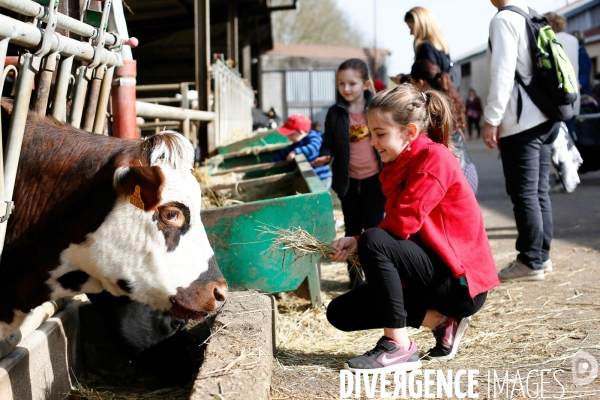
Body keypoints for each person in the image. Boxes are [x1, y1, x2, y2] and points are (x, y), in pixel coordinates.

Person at [326, 84, 499, 372]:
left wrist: (362, 241)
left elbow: (403, 223)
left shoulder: (434, 158)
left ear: (410, 132)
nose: (372, 141)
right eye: (371, 133)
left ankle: (398, 347)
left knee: (374, 239)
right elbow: (396, 232)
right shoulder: (399, 163)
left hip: (460, 286)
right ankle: (442, 322)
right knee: (341, 312)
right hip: (432, 277)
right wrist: (358, 241)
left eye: (380, 134)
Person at [483, 0, 560, 281]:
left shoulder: (504, 19)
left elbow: (501, 73)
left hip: (521, 121)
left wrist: (491, 119)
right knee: (539, 192)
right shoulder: (531, 14)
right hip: (545, 116)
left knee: (525, 194)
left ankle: (530, 262)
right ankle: (542, 256)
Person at [312, 58, 386, 288]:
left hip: (376, 179)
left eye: (352, 83)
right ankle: (355, 279)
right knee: (352, 230)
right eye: (341, 83)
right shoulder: (335, 113)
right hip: (348, 182)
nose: (346, 88)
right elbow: (329, 142)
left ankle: (377, 277)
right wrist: (326, 154)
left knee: (373, 231)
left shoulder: (377, 107)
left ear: (365, 84)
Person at [410, 60, 479, 194]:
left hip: (455, 176)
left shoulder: (431, 107)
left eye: (413, 84)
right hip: (468, 169)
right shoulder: (448, 98)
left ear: (421, 82)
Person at [391, 7, 451, 85]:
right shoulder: (441, 47)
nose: (411, 33)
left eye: (411, 28)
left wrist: (403, 80)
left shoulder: (426, 48)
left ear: (420, 26)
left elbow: (426, 79)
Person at [271, 114, 332, 189]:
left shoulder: (314, 137)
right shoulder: (296, 143)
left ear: (302, 132)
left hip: (322, 177)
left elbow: (313, 147)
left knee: (320, 198)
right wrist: (271, 162)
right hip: (310, 178)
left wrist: (295, 152)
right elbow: (284, 154)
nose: (289, 137)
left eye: (291, 135)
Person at [572, 31, 592, 95]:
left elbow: (585, 72)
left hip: (582, 92)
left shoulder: (581, 53)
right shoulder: (579, 52)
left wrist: (579, 85)